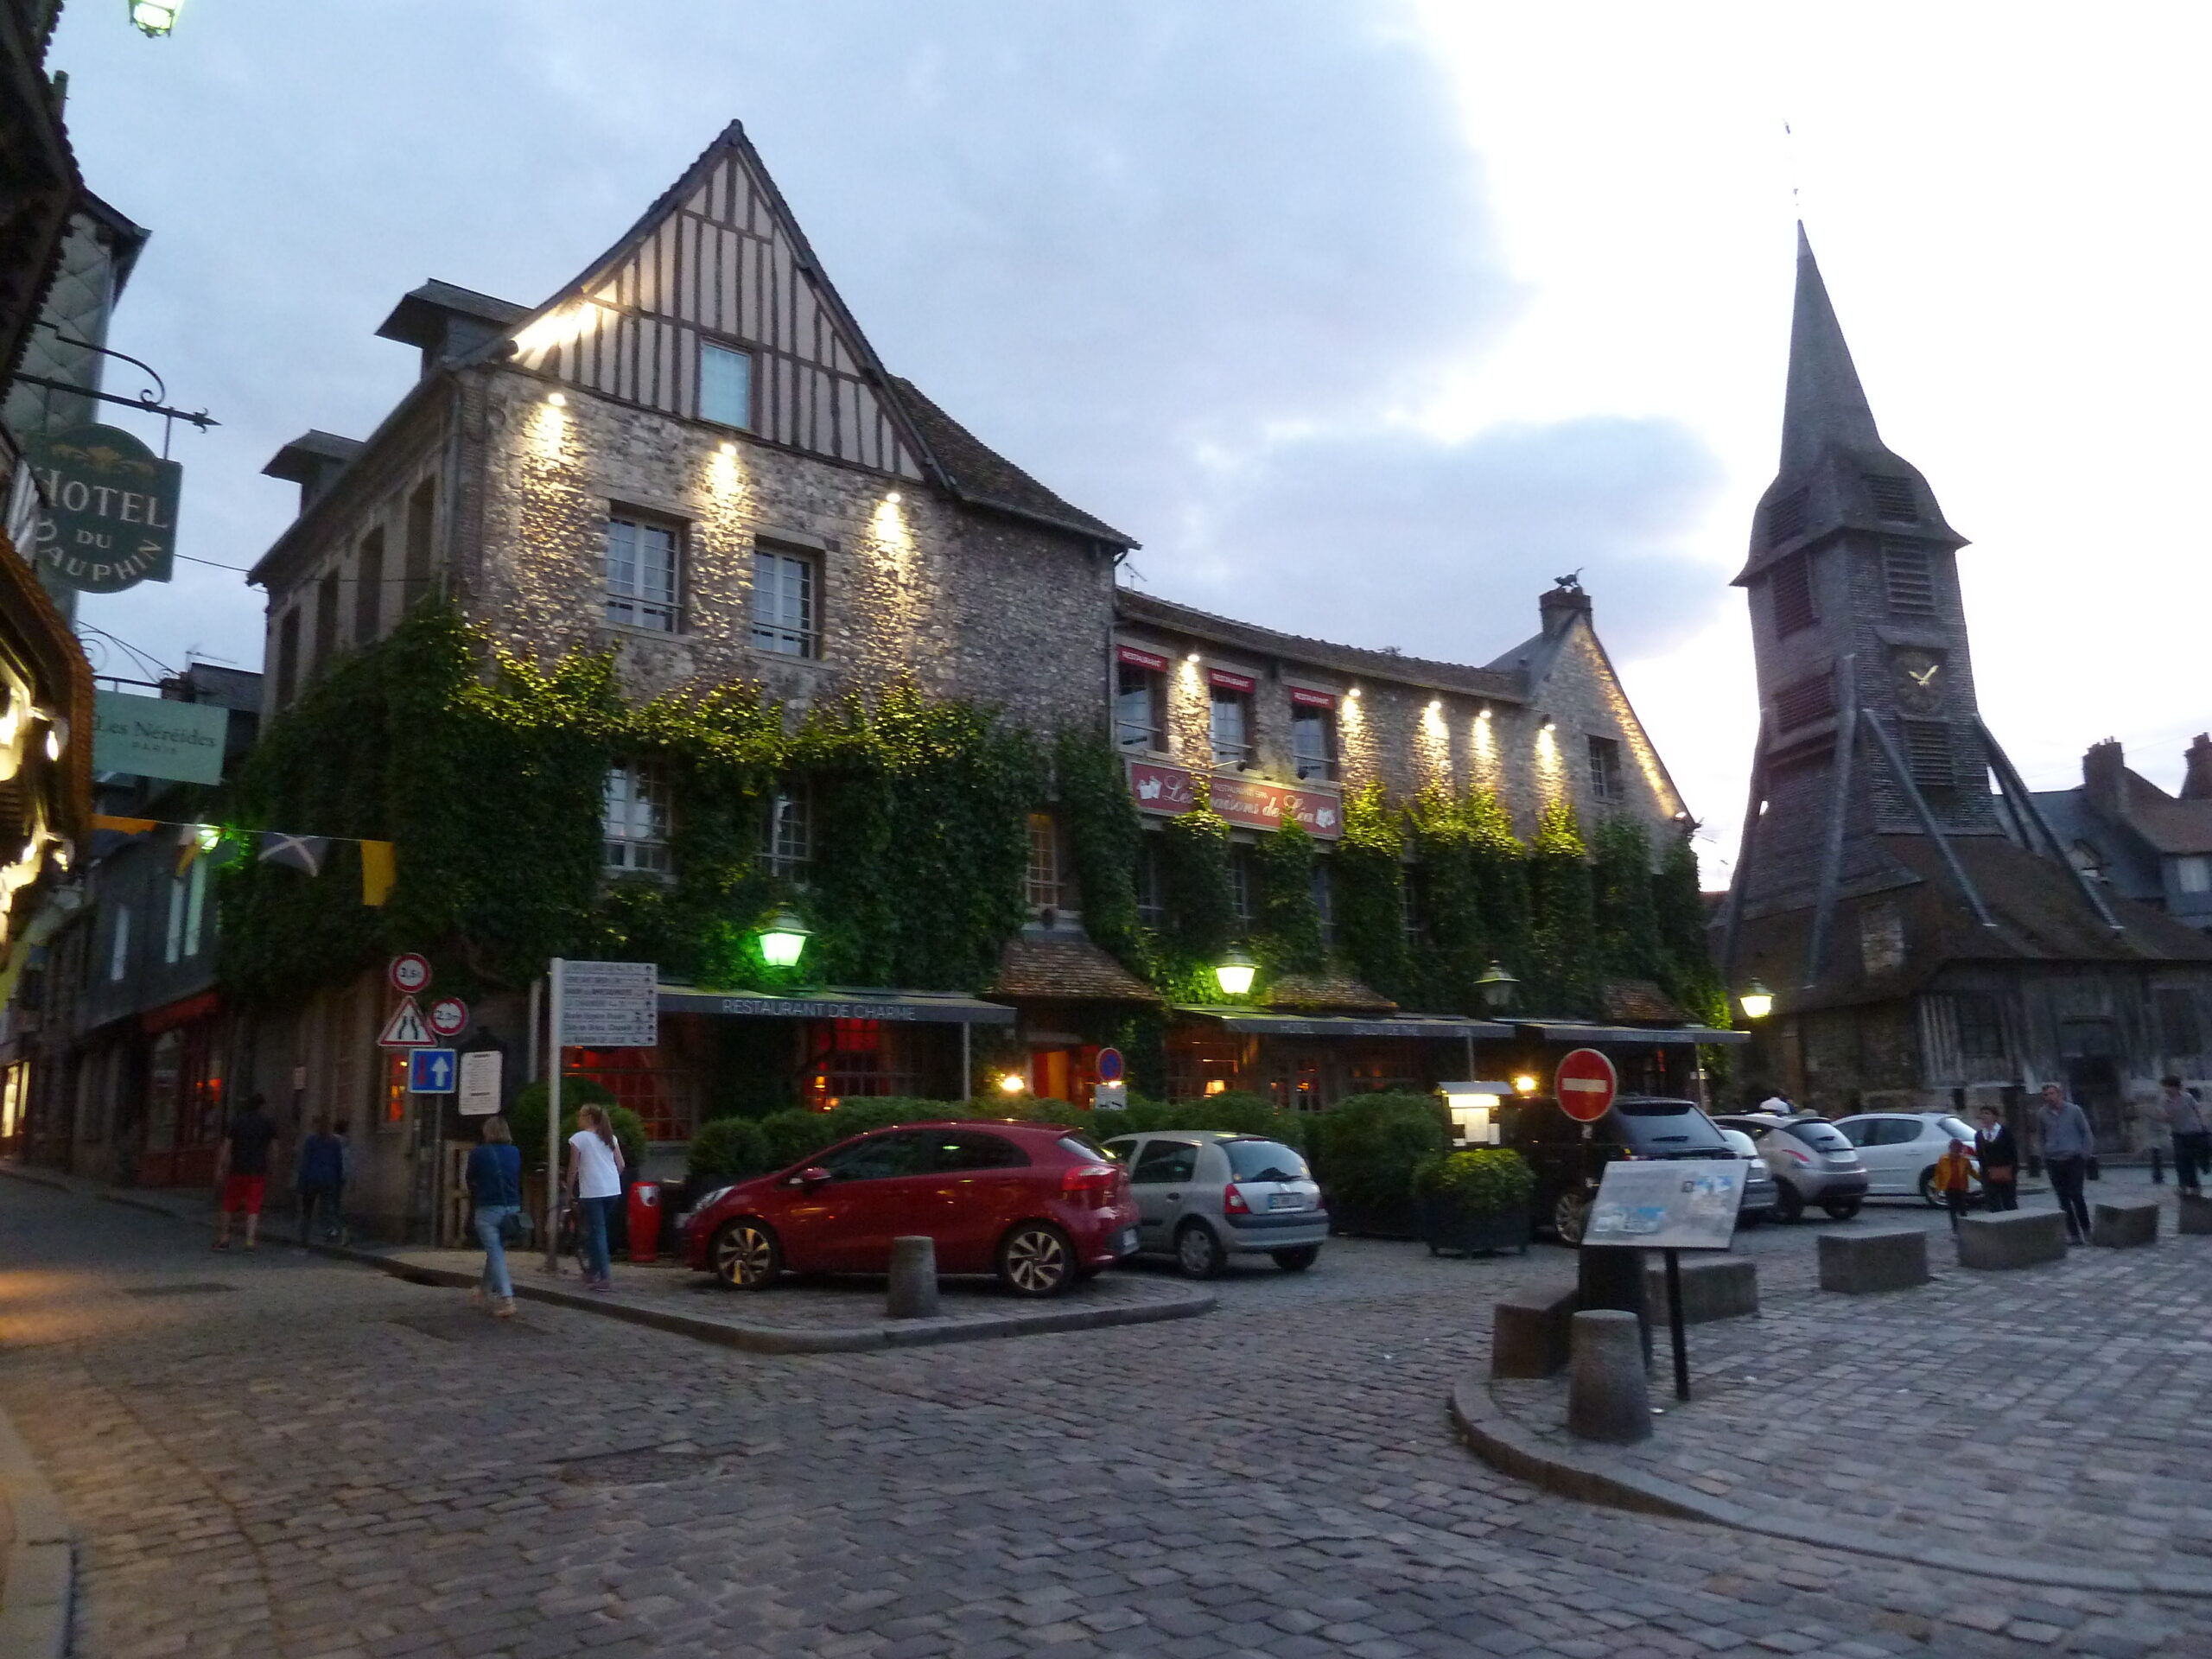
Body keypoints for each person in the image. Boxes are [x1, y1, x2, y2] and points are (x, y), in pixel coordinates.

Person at [467, 1115, 523, 1319]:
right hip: (512, 1207)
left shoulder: (478, 1153)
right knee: (495, 1250)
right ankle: (483, 1291)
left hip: (488, 1208)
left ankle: (507, 1299)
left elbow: (470, 1179)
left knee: (495, 1252)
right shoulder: (515, 1152)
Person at [564, 1104, 625, 1292]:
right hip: (612, 1189)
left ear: (589, 1118)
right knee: (595, 1229)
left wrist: (569, 1190)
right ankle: (592, 1270)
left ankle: (604, 1276)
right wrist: (610, 1178)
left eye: (580, 1115)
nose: (578, 1118)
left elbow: (573, 1167)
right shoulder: (610, 1138)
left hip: (592, 1190)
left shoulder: (579, 1138)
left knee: (597, 1232)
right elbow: (621, 1164)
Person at [213, 1093, 279, 1252]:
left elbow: (227, 1146)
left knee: (229, 1204)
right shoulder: (268, 1123)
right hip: (257, 1170)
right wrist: (273, 1167)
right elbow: (275, 1149)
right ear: (262, 1106)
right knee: (253, 1206)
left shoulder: (237, 1122)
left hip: (238, 1169)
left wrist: (221, 1167)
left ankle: (224, 1239)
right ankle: (250, 1241)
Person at [2037, 1082, 2094, 1244]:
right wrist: (2044, 1154)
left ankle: (2086, 1229)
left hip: (2074, 1158)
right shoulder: (2042, 1114)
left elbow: (2086, 1133)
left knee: (2076, 1195)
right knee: (2062, 1199)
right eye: (2046, 1095)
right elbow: (2041, 1135)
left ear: (2059, 1094)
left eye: (2051, 1094)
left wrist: (2084, 1155)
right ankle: (2073, 1233)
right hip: (2053, 1160)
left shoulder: (2074, 1111)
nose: (2049, 1097)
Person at [296, 1116, 345, 1246]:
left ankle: (303, 1238)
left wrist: (301, 1183)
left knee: (307, 1210)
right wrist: (339, 1180)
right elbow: (338, 1163)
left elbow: (305, 1163)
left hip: (312, 1179)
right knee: (328, 1208)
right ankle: (332, 1232)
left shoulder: (311, 1141)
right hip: (329, 1179)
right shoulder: (335, 1142)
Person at [2159, 1077, 2208, 1198]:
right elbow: (2166, 1118)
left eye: (2169, 1086)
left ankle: (2195, 1183)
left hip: (2194, 1131)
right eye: (2165, 1086)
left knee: (2194, 1159)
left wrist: (2203, 1124)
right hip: (2179, 1133)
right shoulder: (2165, 1101)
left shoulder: (2187, 1097)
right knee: (2181, 1160)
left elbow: (2198, 1110)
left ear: (2176, 1087)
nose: (2166, 1089)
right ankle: (2184, 1186)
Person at [1974, 1105, 2018, 1211]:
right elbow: (1980, 1155)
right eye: (1982, 1113)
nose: (1984, 1116)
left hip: (2006, 1171)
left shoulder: (2005, 1132)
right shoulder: (1979, 1135)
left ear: (1995, 1117)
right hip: (1988, 1173)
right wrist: (1983, 1172)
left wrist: (2013, 1171)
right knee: (1993, 1203)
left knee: (2009, 1202)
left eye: (1987, 1113)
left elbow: (2013, 1152)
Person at [1934, 1135, 1976, 1233]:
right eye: (1954, 1148)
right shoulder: (1943, 1159)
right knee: (1952, 1210)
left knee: (1962, 1209)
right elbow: (1938, 1174)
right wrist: (1938, 1188)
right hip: (1949, 1188)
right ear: (1950, 1148)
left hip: (1961, 1188)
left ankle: (1965, 1228)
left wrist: (1981, 1179)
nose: (1956, 1151)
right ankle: (1956, 1230)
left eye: (1958, 1149)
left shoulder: (1964, 1160)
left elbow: (1971, 1171)